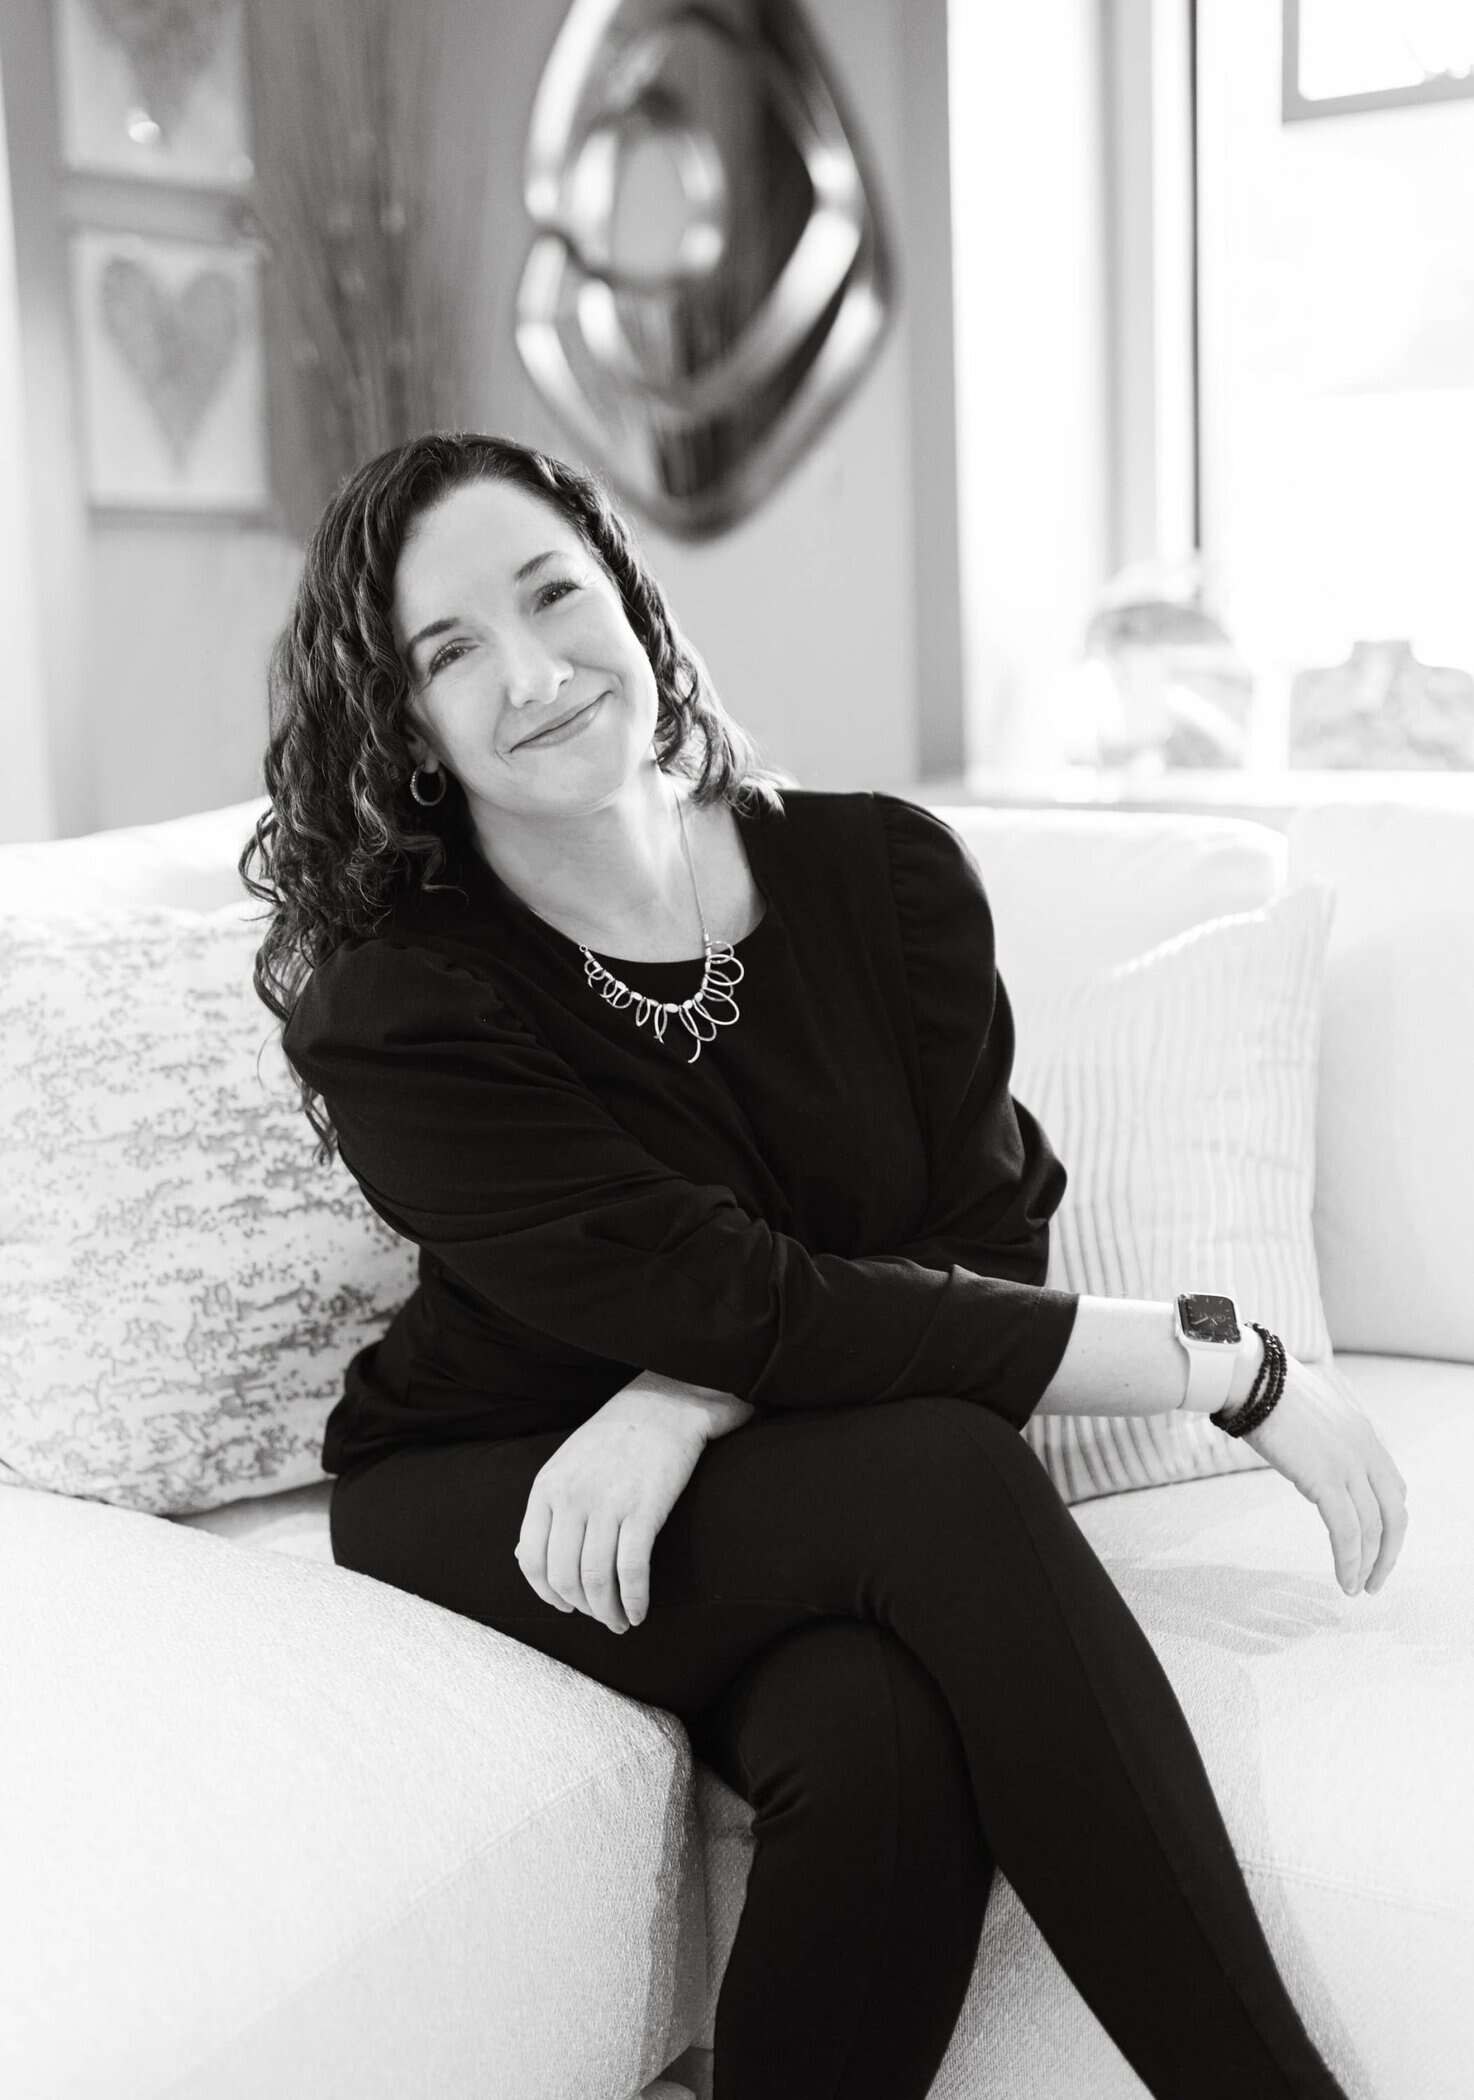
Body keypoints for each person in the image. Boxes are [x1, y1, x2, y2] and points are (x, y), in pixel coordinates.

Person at [243, 432, 1403, 2100]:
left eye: (552, 592)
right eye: (449, 652)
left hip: (744, 1460)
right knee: (938, 1475)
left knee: (874, 1735)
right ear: (408, 728)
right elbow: (742, 1295)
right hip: (494, 1480)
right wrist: (1223, 1361)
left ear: (629, 600)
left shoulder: (881, 875)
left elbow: (978, 1238)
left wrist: (688, 1398)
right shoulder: (405, 1002)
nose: (533, 670)